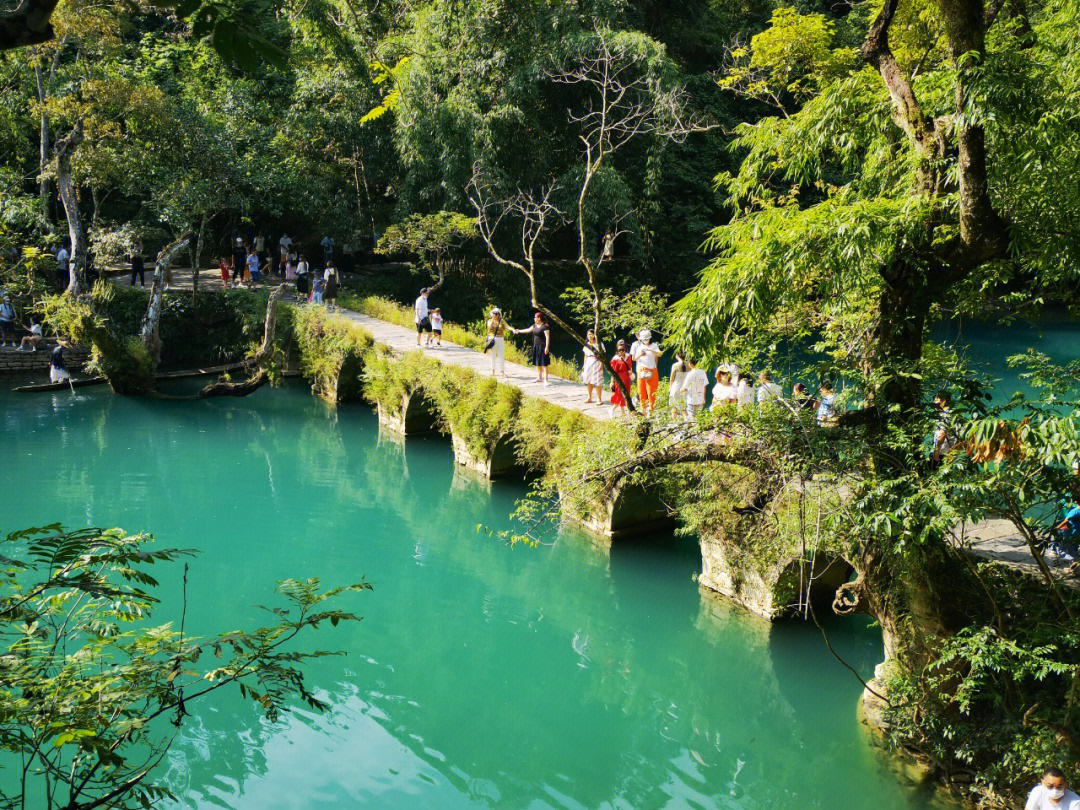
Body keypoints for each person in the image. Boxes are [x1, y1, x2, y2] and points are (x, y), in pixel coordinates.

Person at [511, 312, 551, 384]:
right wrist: (519, 331)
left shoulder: (545, 326)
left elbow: (547, 337)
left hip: (543, 347)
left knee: (544, 363)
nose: (534, 318)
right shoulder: (534, 326)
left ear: (539, 318)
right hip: (536, 346)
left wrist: (547, 347)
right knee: (538, 363)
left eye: (535, 317)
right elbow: (527, 330)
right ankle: (539, 378)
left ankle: (546, 380)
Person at [630, 329, 662, 416]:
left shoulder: (654, 345)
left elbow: (659, 354)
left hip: (652, 370)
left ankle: (651, 410)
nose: (645, 341)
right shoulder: (639, 346)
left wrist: (651, 351)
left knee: (651, 391)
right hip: (641, 370)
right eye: (643, 340)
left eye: (646, 339)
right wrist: (640, 354)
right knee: (641, 391)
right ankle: (643, 409)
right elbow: (634, 358)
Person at [609, 340, 634, 417]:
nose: (621, 351)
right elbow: (613, 372)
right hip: (619, 379)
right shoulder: (615, 359)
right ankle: (623, 414)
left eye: (622, 349)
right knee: (620, 396)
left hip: (627, 379)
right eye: (619, 350)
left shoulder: (628, 356)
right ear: (617, 350)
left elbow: (630, 367)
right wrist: (612, 382)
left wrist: (631, 372)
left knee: (627, 395)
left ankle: (628, 413)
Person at [932, 390, 956, 463]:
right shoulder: (953, 413)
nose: (934, 402)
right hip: (950, 453)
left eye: (936, 400)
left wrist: (936, 452)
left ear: (944, 401)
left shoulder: (945, 415)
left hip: (942, 454)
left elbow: (942, 434)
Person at [582, 330, 605, 404]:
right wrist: (584, 365)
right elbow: (585, 355)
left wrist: (601, 364)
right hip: (589, 362)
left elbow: (603, 355)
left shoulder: (599, 344)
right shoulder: (587, 344)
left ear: (595, 335)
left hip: (597, 362)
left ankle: (599, 399)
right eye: (588, 334)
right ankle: (589, 397)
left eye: (591, 334)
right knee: (589, 381)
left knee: (597, 382)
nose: (590, 336)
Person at [486, 307, 507, 377]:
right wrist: (493, 319)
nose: (496, 315)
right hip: (492, 338)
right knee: (493, 354)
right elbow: (489, 328)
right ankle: (493, 370)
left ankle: (501, 371)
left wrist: (513, 329)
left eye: (497, 313)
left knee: (501, 354)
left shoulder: (502, 321)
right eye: (494, 313)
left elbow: (507, 326)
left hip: (500, 338)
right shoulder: (489, 321)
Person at [669, 352, 690, 417]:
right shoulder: (689, 364)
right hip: (686, 388)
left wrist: (670, 388)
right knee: (684, 407)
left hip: (676, 387)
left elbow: (672, 378)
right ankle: (687, 421)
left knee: (673, 406)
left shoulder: (675, 365)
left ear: (677, 356)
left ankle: (674, 422)